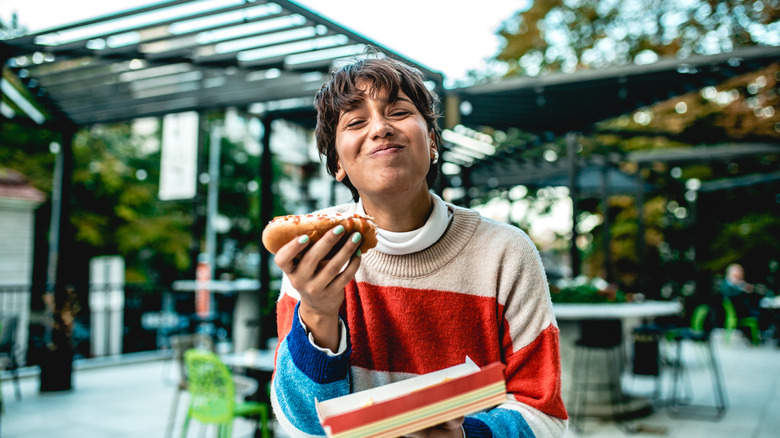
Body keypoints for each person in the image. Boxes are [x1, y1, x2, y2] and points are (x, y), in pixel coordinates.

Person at [269, 56, 568, 437]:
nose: (380, 128)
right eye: (356, 122)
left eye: (398, 112)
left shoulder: (505, 253)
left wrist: (464, 435)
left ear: (432, 143)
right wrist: (317, 311)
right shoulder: (315, 253)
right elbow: (304, 423)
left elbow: (546, 418)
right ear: (337, 163)